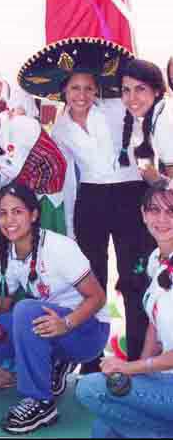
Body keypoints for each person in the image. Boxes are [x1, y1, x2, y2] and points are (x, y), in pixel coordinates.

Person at [22, 38, 153, 366]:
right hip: (91, 201)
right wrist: (68, 225)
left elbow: (148, 129)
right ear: (63, 91)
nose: (81, 95)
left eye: (88, 88)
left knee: (133, 277)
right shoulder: (59, 130)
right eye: (75, 88)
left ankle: (137, 357)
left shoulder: (117, 108)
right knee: (91, 278)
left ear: (98, 90)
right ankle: (91, 358)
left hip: (130, 195)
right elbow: (66, 181)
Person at [0, 183, 109, 434]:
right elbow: (2, 305)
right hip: (52, 326)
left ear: (33, 215)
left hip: (87, 331)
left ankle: (41, 403)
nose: (9, 220)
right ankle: (53, 362)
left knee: (26, 311)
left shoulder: (58, 247)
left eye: (17, 212)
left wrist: (66, 323)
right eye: (3, 213)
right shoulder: (9, 252)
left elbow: (98, 297)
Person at [76, 180, 173, 438]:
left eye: (171, 211)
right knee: (103, 428)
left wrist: (131, 368)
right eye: (154, 210)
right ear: (143, 214)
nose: (162, 219)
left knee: (91, 389)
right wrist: (141, 369)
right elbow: (154, 324)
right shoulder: (156, 260)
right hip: (164, 377)